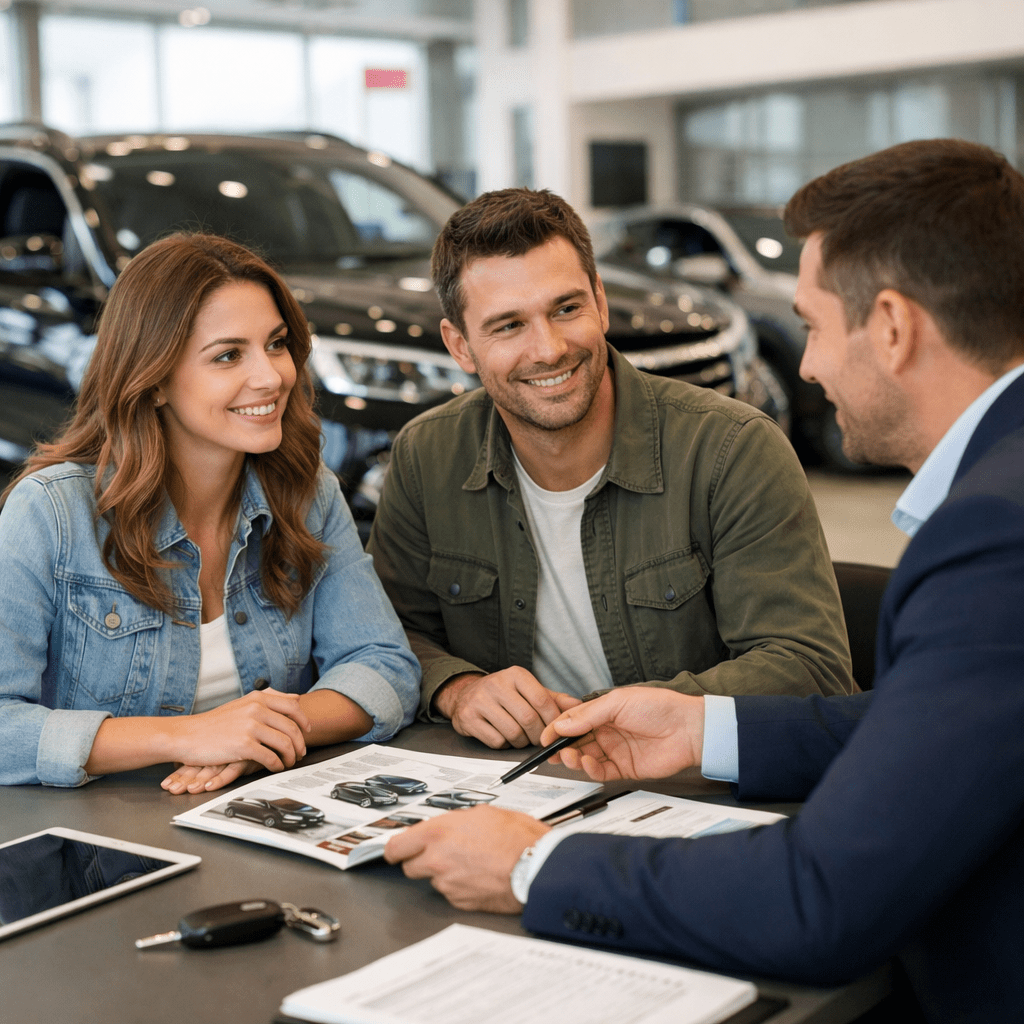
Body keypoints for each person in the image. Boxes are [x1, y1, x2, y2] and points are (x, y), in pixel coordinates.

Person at [384, 139, 1024, 1023]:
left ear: (891, 326)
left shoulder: (993, 533)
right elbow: (945, 723)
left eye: (811, 325)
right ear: (461, 344)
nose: (805, 367)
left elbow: (820, 901)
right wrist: (698, 723)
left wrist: (531, 866)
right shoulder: (1005, 497)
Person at [367, 188, 853, 750]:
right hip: (512, 787)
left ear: (600, 302)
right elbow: (393, 636)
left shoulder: (732, 450)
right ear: (461, 346)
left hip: (687, 792)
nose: (548, 349)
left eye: (566, 309)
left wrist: (648, 714)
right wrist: (458, 688)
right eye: (508, 327)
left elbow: (810, 669)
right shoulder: (426, 456)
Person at [0, 233, 420, 791]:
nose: (271, 376)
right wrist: (189, 735)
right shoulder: (51, 513)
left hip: (258, 827)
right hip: (98, 854)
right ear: (152, 382)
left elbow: (384, 665)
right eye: (228, 355)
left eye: (276, 344)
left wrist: (263, 737)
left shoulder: (306, 491)